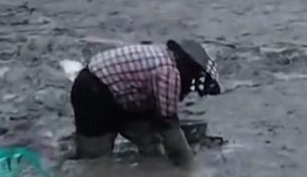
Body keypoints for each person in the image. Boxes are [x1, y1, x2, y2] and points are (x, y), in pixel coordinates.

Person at [70, 39, 221, 167]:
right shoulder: (169, 72)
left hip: (115, 91)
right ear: (187, 68)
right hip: (93, 91)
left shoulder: (160, 56)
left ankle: (151, 169)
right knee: (95, 160)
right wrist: (189, 165)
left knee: (151, 142)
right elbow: (169, 126)